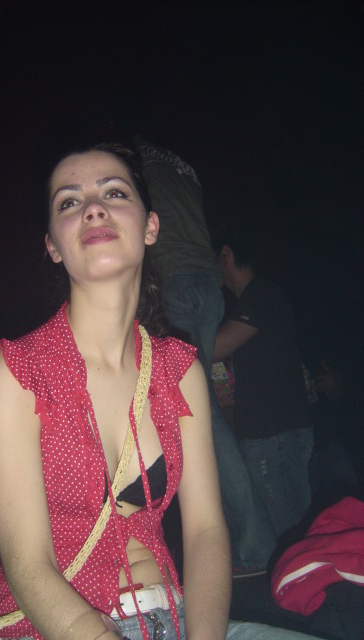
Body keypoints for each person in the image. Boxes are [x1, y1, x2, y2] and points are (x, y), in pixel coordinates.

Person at [0, 141, 323, 640]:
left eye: (114, 193)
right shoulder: (15, 374)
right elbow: (28, 567)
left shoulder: (180, 372)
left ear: (151, 226)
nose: (93, 208)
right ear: (52, 245)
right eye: (69, 202)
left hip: (177, 619)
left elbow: (205, 531)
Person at [135, 137, 276, 574]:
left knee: (195, 414)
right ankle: (234, 542)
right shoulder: (183, 167)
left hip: (173, 283)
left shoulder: (134, 162)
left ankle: (249, 544)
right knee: (199, 411)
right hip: (206, 288)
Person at [213, 220, 314, 538]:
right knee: (290, 530)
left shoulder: (260, 295)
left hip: (275, 435)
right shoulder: (256, 298)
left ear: (226, 255)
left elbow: (214, 348)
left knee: (290, 534)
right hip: (275, 434)